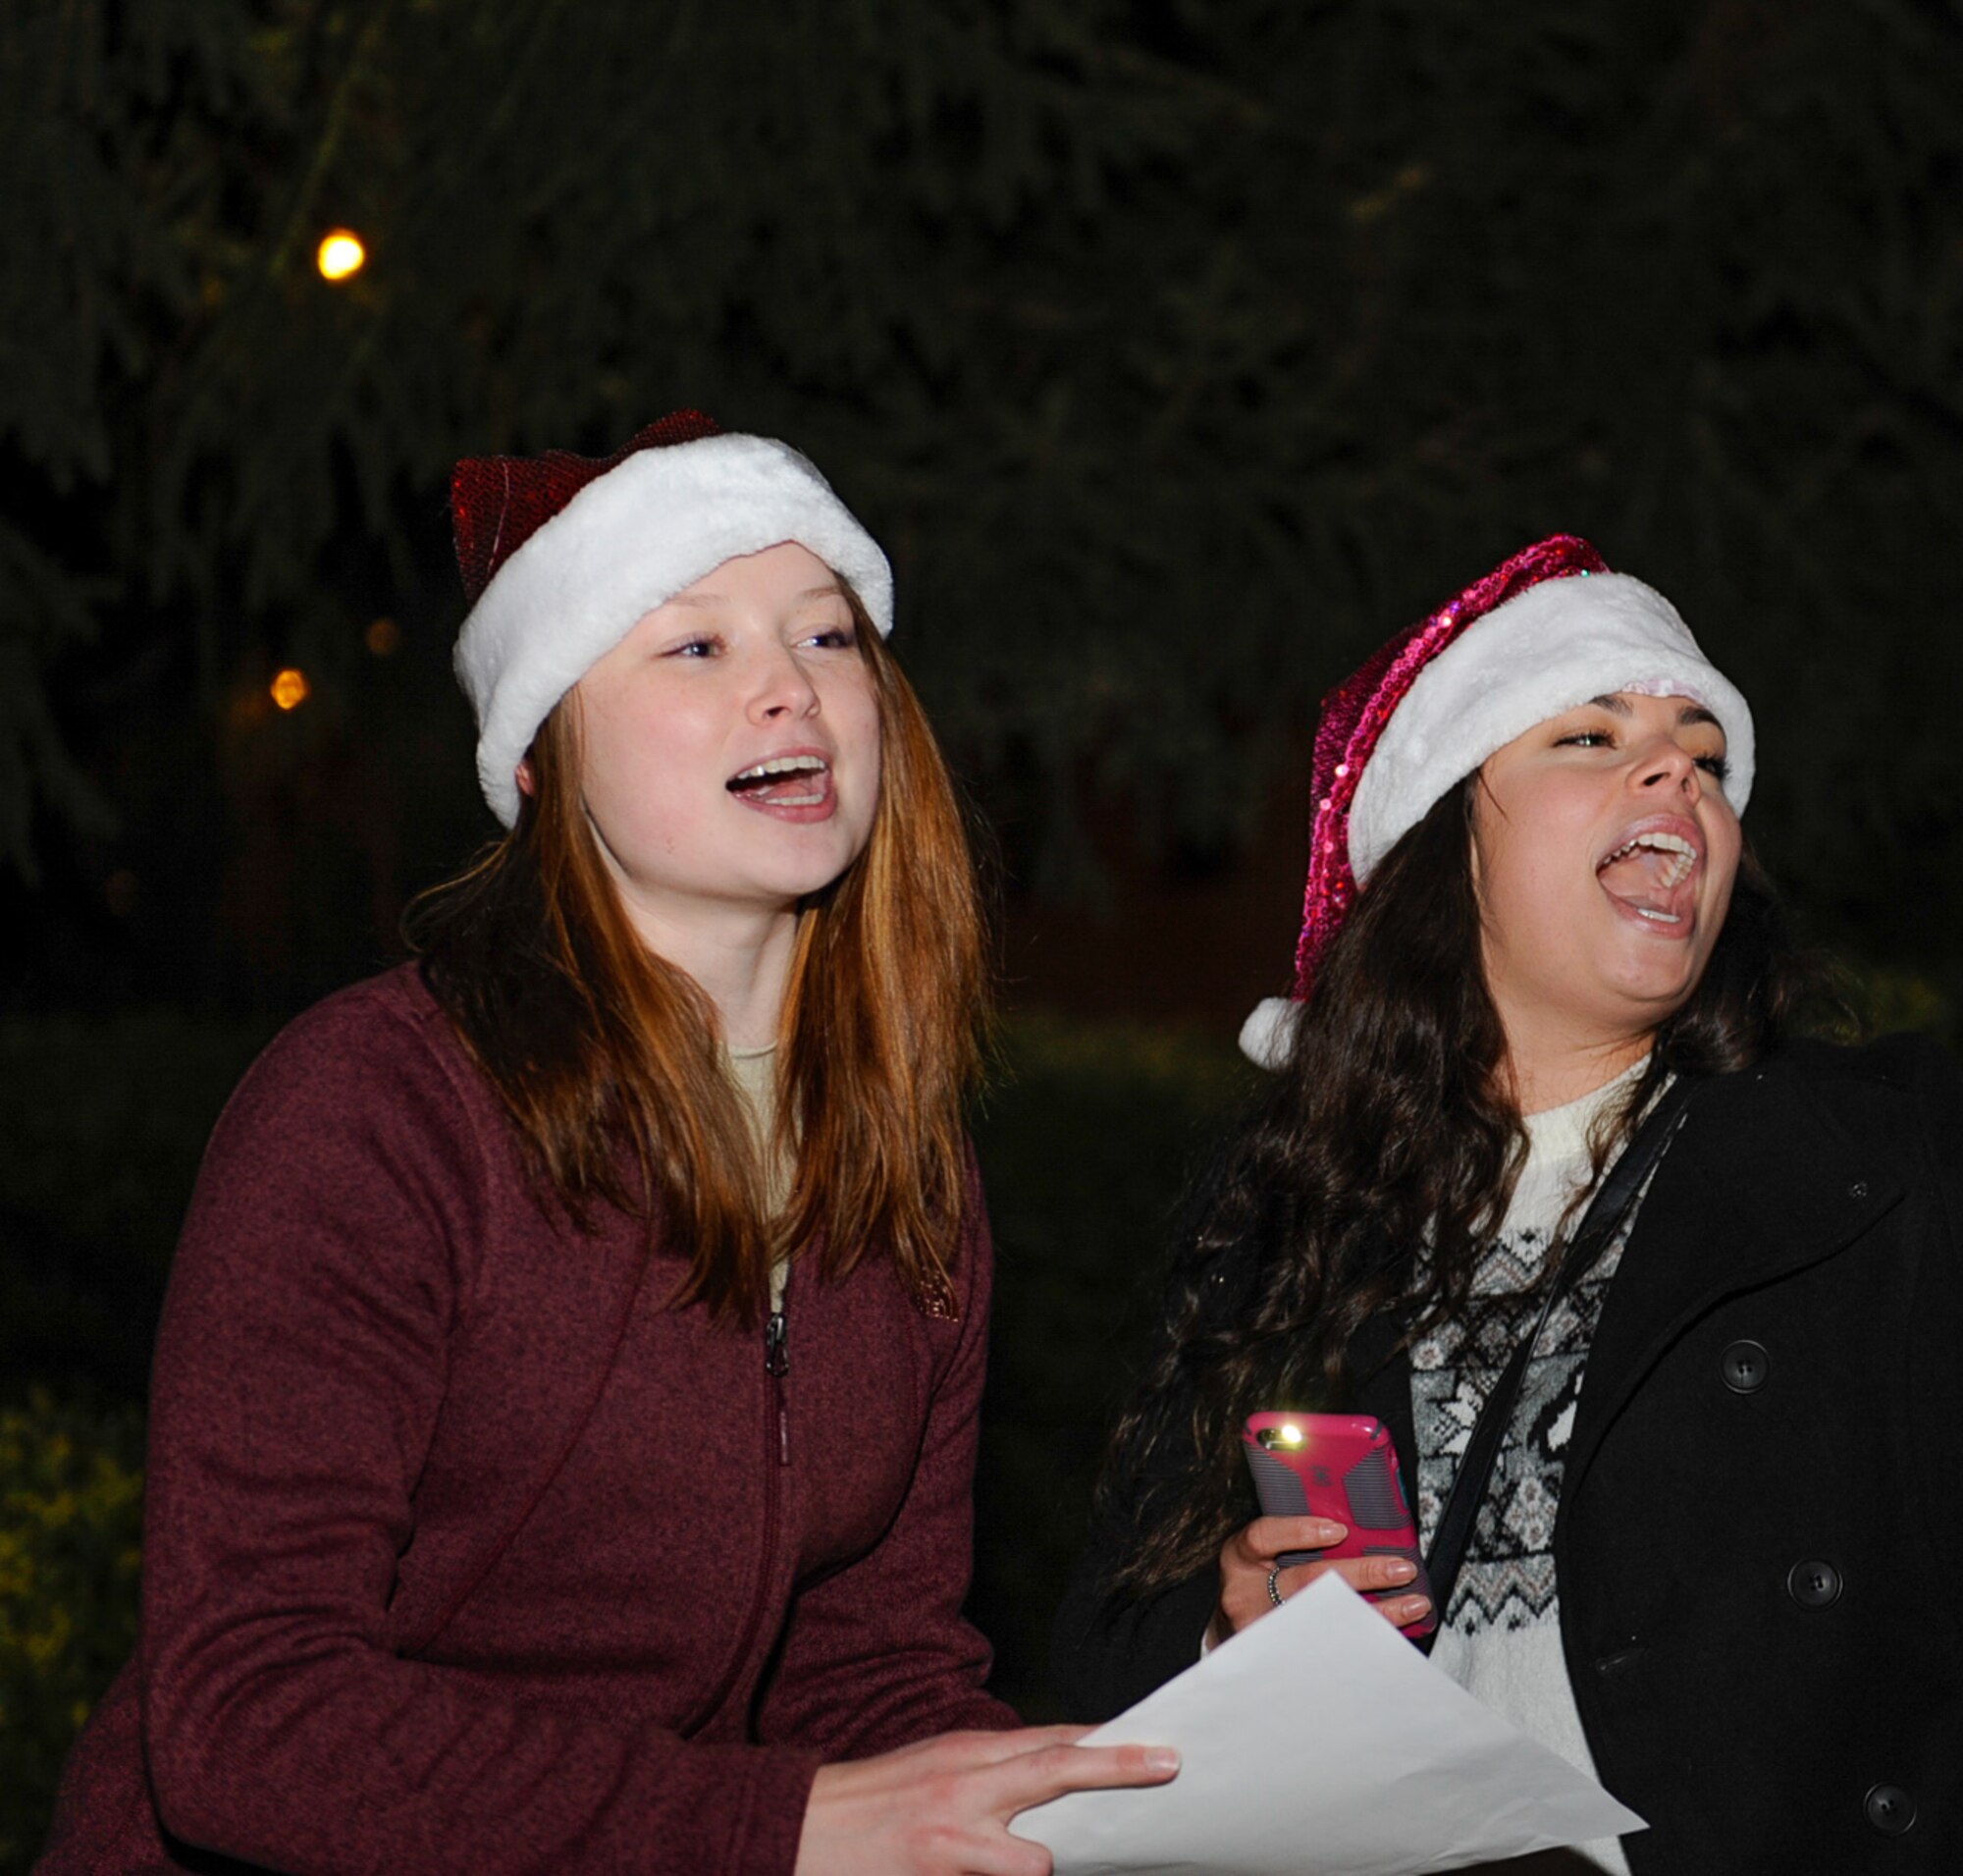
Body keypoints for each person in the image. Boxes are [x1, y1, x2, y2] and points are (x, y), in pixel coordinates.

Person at [38, 411, 1175, 1875]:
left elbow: (870, 1675)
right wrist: (774, 1828)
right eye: (695, 645)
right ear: (539, 757)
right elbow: (248, 1723)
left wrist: (1078, 1805)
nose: (790, 685)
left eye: (827, 636)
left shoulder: (904, 1158)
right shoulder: (375, 1112)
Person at [1054, 535, 1961, 1873]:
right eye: (1591, 736)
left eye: (1706, 756)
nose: (1679, 772)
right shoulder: (1286, 1216)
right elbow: (1101, 1664)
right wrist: (1225, 1629)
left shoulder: (1878, 1160)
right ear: (1446, 846)